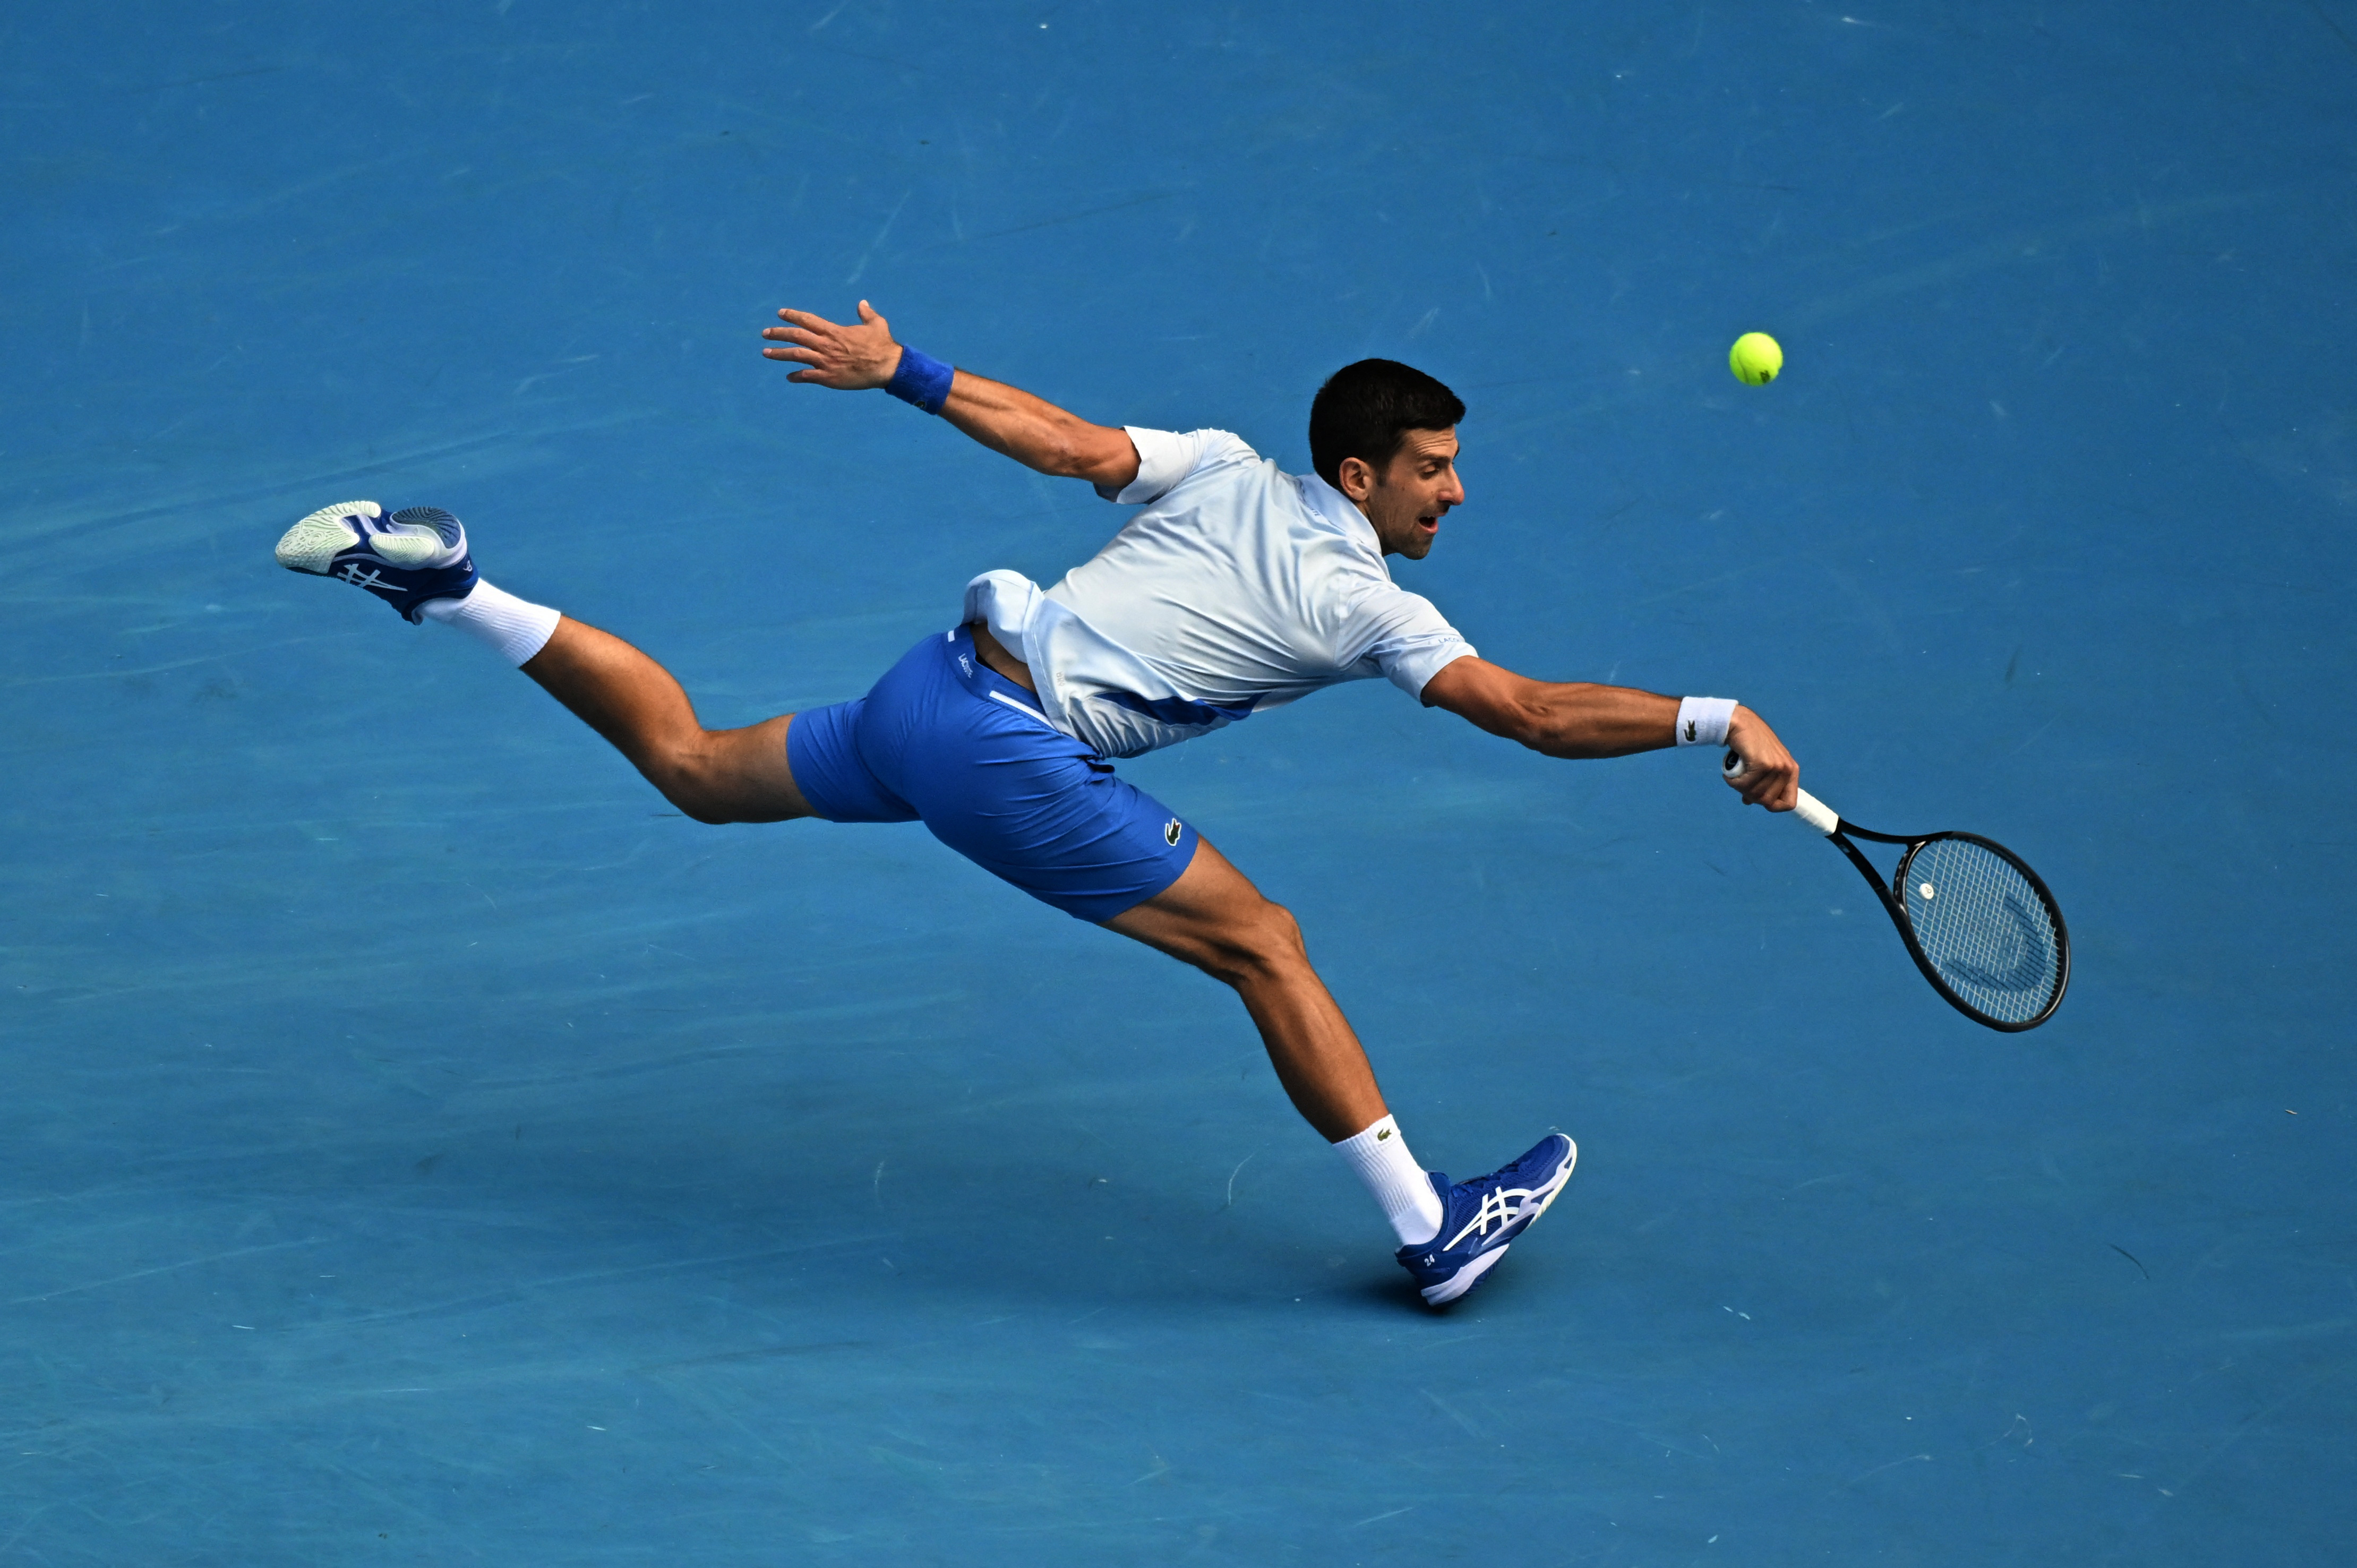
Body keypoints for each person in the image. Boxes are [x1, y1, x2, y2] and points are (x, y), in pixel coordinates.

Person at [273, 299, 1801, 1308]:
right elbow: (1528, 713)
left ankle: (454, 583)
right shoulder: (1369, 604)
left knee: (693, 767)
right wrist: (1713, 717)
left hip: (933, 689)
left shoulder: (1220, 465)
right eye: (1434, 470)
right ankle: (1431, 1228)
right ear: (1363, 470)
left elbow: (1067, 443)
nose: (1453, 494)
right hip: (1009, 747)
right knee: (1262, 941)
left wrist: (909, 372)